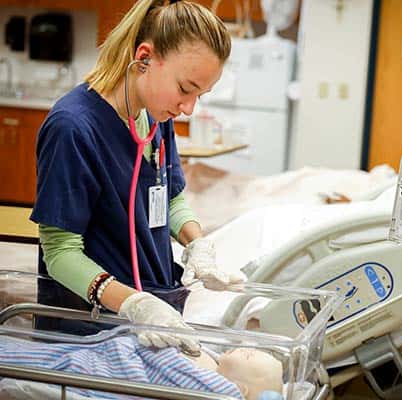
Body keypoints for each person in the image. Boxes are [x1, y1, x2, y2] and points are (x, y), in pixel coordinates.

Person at [30, 0, 245, 346]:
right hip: (91, 331)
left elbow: (170, 198)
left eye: (200, 95)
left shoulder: (155, 116)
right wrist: (135, 305)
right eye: (186, 89)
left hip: (153, 315)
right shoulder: (73, 127)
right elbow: (59, 254)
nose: (188, 108)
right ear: (144, 58)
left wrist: (198, 244)